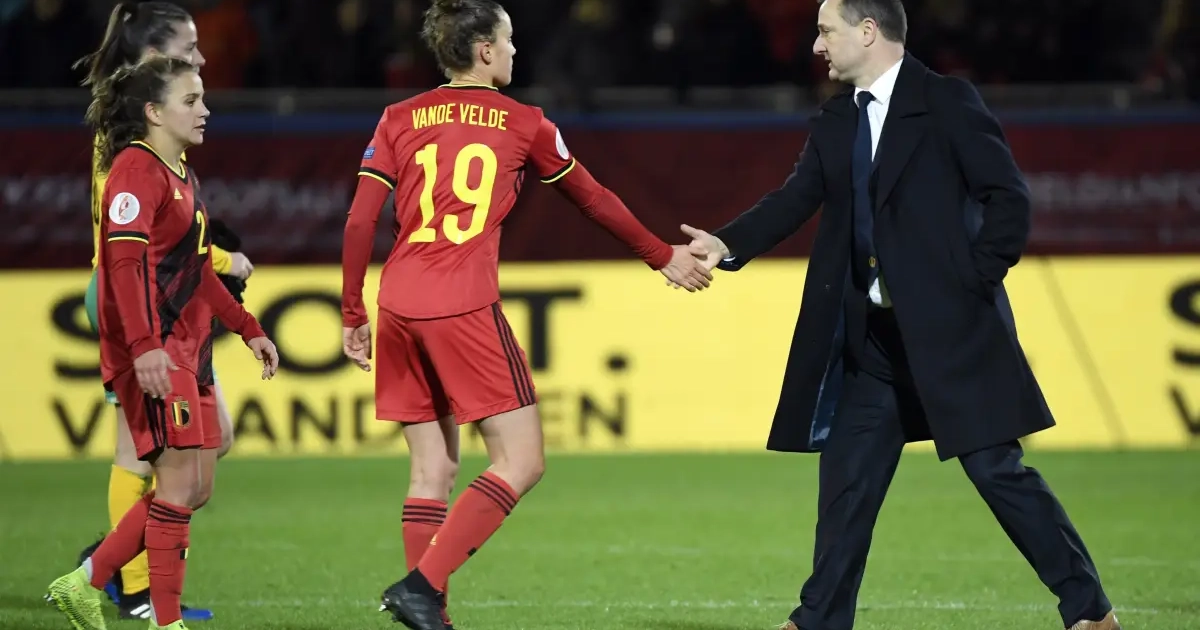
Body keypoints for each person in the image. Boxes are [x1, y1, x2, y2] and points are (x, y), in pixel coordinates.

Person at [678, 1, 1121, 629]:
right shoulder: (836, 119)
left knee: (999, 473)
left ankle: (1090, 612)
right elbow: (795, 198)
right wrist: (725, 243)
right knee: (847, 482)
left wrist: (969, 281)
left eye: (825, 31)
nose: (816, 46)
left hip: (953, 334)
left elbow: (1007, 199)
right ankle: (818, 621)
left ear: (868, 31)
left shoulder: (946, 101)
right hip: (874, 345)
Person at [339, 2, 712, 628]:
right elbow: (592, 198)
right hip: (460, 302)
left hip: (397, 300)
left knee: (432, 468)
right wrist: (660, 255)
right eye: (509, 40)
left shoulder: (397, 117)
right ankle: (422, 587)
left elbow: (358, 221)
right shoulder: (525, 123)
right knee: (522, 460)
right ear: (485, 50)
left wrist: (352, 310)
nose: (515, 50)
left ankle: (431, 617)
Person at [45, 56, 279, 630]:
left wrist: (247, 327)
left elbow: (197, 271)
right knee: (175, 486)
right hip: (158, 350)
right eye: (191, 100)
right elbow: (124, 268)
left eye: (203, 99)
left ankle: (86, 580)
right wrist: (145, 346)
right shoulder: (133, 172)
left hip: (189, 349)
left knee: (194, 487)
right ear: (153, 112)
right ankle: (164, 620)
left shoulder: (180, 174)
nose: (205, 110)